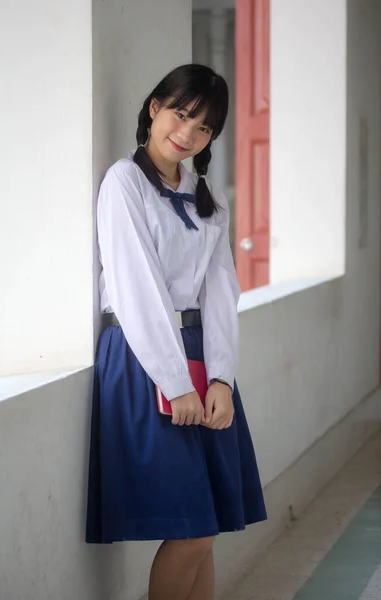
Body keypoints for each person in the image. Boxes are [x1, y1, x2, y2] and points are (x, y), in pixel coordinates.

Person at [86, 63, 267, 600]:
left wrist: (222, 381)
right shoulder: (125, 182)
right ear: (154, 107)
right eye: (180, 114)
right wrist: (175, 382)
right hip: (146, 359)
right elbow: (135, 288)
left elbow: (220, 294)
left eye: (204, 127)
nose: (186, 133)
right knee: (190, 530)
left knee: (205, 529)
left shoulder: (209, 199)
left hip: (201, 361)